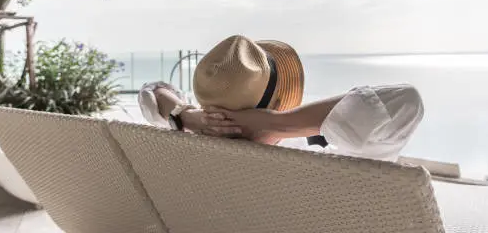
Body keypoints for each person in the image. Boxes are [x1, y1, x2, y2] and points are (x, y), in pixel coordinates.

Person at [138, 35, 424, 162]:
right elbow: (405, 101)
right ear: (276, 106)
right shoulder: (308, 166)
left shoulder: (190, 153)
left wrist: (189, 118)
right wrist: (279, 124)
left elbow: (152, 91)